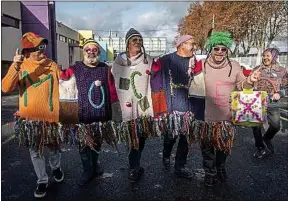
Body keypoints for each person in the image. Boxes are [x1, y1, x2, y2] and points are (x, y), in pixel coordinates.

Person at [2, 32, 64, 198]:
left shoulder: (52, 65)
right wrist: (15, 66)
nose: (42, 50)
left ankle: (56, 167)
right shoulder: (20, 66)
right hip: (30, 121)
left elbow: (66, 85)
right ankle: (42, 180)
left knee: (53, 148)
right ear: (27, 52)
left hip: (51, 119)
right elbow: (6, 88)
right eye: (38, 48)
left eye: (43, 46)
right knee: (35, 152)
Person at [197, 31, 261, 186]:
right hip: (205, 116)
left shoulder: (235, 66)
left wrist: (250, 81)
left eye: (223, 49)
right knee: (206, 148)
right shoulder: (201, 66)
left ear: (227, 51)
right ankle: (210, 172)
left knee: (223, 147)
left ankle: (220, 167)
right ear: (210, 49)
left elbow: (242, 86)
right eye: (216, 49)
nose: (219, 52)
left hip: (227, 117)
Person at [60, 38, 119, 187]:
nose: (91, 53)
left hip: (101, 117)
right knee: (84, 145)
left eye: (95, 50)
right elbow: (61, 78)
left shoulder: (105, 69)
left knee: (97, 143)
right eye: (88, 50)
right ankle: (88, 170)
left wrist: (115, 113)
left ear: (98, 52)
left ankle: (94, 164)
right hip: (83, 116)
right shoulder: (75, 68)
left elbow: (112, 91)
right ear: (84, 52)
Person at [111, 28, 167, 183]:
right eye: (134, 40)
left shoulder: (148, 60)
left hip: (143, 106)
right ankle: (134, 167)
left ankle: (134, 163)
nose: (137, 42)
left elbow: (158, 75)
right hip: (125, 107)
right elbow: (113, 82)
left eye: (140, 40)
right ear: (127, 43)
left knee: (141, 136)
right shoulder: (118, 61)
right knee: (131, 137)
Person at [157, 35, 204, 179]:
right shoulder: (166, 60)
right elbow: (155, 80)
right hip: (173, 107)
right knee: (171, 137)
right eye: (192, 44)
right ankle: (166, 155)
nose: (194, 47)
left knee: (186, 139)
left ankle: (180, 166)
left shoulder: (195, 62)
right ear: (181, 45)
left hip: (191, 108)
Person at [251, 48, 287, 158]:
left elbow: (286, 87)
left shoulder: (282, 71)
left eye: (268, 56)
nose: (265, 58)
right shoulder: (257, 69)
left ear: (274, 56)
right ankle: (260, 147)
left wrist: (280, 93)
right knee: (256, 126)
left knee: (276, 126)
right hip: (257, 101)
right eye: (264, 55)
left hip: (273, 102)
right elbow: (250, 83)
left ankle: (266, 138)